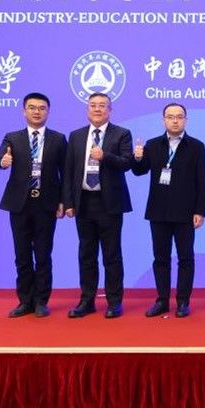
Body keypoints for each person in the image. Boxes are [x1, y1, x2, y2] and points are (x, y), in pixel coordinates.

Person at [131, 103, 205, 318]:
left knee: (186, 258)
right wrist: (137, 158)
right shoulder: (152, 144)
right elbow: (139, 171)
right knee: (160, 258)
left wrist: (200, 210)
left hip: (186, 211)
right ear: (163, 120)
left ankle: (183, 301)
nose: (175, 120)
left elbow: (203, 180)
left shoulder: (196, 146)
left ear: (186, 120)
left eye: (179, 117)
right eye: (170, 117)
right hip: (158, 210)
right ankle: (162, 300)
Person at [0, 92, 66, 318]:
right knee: (22, 255)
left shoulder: (58, 139)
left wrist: (63, 201)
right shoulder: (12, 138)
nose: (37, 112)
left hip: (46, 204)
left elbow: (65, 172)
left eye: (42, 108)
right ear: (24, 111)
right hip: (20, 204)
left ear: (48, 112)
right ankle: (25, 301)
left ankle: (41, 301)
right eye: (32, 108)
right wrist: (2, 161)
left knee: (43, 255)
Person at [62, 93, 134, 319]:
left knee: (112, 255)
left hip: (110, 204)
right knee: (86, 254)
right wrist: (69, 202)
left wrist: (105, 156)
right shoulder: (76, 136)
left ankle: (114, 302)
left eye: (102, 106)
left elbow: (127, 163)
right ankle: (87, 300)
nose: (97, 109)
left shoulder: (121, 133)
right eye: (93, 105)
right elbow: (68, 171)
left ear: (110, 110)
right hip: (84, 202)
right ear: (87, 109)